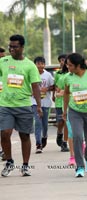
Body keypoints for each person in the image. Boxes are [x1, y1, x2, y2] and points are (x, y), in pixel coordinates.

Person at [0, 34, 42, 176]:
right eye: (10, 46)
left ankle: (25, 165)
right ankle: (10, 162)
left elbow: (35, 86)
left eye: (15, 46)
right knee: (5, 134)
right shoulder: (3, 61)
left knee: (24, 136)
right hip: (5, 105)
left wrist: (39, 105)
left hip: (24, 105)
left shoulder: (30, 65)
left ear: (22, 47)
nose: (11, 49)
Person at [32, 56, 54, 153]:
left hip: (45, 102)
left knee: (44, 124)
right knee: (37, 123)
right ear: (35, 64)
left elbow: (53, 86)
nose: (40, 65)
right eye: (38, 63)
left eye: (42, 63)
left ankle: (44, 136)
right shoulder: (31, 74)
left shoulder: (48, 75)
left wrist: (47, 89)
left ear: (44, 65)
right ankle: (38, 144)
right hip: (34, 102)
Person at [53, 54, 69, 152]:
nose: (63, 62)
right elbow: (56, 88)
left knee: (67, 122)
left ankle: (64, 142)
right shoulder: (58, 74)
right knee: (60, 121)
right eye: (61, 60)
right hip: (60, 102)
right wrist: (57, 94)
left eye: (64, 60)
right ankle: (59, 133)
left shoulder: (73, 74)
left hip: (69, 102)